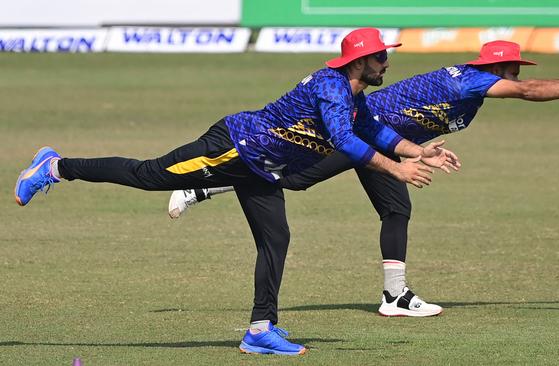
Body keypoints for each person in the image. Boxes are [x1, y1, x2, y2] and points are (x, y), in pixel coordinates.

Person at [14, 28, 461, 356]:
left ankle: (260, 330)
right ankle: (55, 166)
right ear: (359, 60)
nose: (387, 62)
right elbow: (346, 142)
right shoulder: (331, 87)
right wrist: (397, 170)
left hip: (261, 169)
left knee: (277, 239)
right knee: (148, 174)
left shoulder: (354, 93)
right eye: (381, 56)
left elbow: (373, 130)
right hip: (231, 148)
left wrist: (417, 152)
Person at [167, 40, 559, 317]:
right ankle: (205, 183)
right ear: (493, 70)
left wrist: (426, 148)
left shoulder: (473, 89)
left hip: (391, 140)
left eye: (516, 69)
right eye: (511, 69)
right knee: (292, 179)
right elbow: (527, 92)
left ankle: (395, 295)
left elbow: (444, 114)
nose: (516, 75)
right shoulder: (470, 81)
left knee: (392, 208)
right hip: (365, 133)